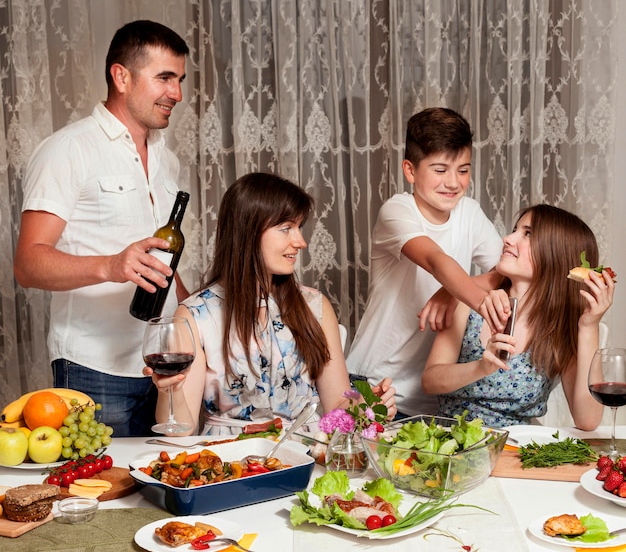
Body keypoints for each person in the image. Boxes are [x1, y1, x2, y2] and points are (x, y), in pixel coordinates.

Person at [13, 20, 190, 437]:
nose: (177, 94)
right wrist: (112, 265)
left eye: (180, 80)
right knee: (105, 497)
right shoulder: (67, 150)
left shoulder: (168, 160)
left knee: (158, 490)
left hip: (160, 365)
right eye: (165, 78)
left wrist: (193, 315)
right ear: (121, 76)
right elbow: (28, 264)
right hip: (94, 369)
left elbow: (162, 258)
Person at [144, 173, 397, 435]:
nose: (300, 242)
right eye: (286, 228)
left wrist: (368, 407)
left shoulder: (315, 306)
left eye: (299, 228)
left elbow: (337, 404)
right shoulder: (196, 314)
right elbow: (180, 430)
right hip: (231, 464)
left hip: (306, 459)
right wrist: (169, 391)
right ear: (248, 232)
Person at [347, 107, 509, 417]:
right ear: (410, 170)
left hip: (435, 398)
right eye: (439, 169)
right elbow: (436, 260)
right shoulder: (396, 211)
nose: (453, 182)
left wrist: (451, 293)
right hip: (375, 383)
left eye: (463, 169)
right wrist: (474, 298)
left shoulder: (470, 212)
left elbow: (504, 270)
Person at [422, 204, 614, 429]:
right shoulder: (473, 302)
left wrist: (590, 325)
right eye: (515, 229)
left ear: (555, 255)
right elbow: (430, 381)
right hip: (452, 444)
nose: (507, 238)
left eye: (528, 233)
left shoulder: (561, 329)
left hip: (519, 451)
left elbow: (587, 420)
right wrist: (481, 367)